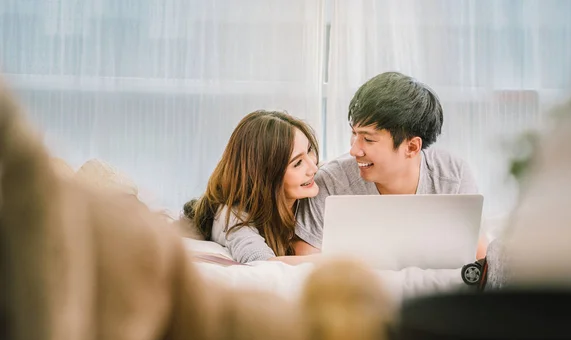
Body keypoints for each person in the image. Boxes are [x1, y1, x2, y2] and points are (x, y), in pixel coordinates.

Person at [294, 71, 488, 260]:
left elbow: (478, 258)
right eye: (354, 134)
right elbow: (304, 260)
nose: (354, 150)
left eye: (368, 139)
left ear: (412, 147)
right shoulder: (331, 182)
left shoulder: (453, 176)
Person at [186, 110, 322, 264]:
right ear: (266, 176)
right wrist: (336, 261)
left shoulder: (311, 190)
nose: (314, 167)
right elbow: (262, 262)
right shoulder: (232, 216)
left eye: (309, 150)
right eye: (297, 163)